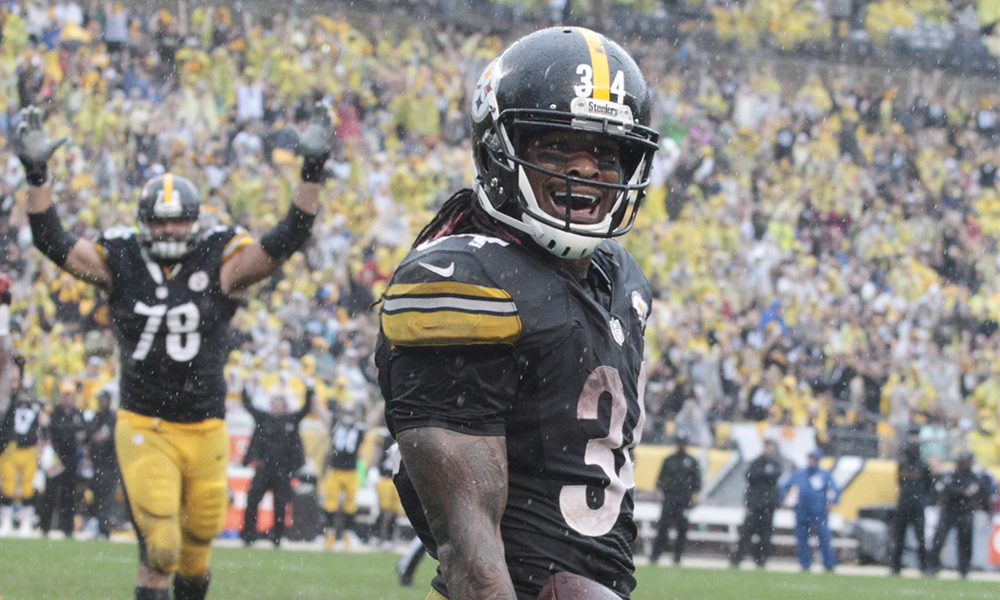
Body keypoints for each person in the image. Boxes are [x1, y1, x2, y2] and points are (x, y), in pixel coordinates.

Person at [375, 26, 659, 600]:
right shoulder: (465, 280)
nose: (586, 171)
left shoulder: (620, 275)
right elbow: (469, 546)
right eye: (556, 148)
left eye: (605, 152)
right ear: (501, 150)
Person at [11, 103, 333, 600]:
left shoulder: (219, 259)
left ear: (194, 222)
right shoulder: (120, 260)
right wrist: (37, 175)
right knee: (161, 546)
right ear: (143, 223)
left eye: (178, 222)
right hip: (144, 423)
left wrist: (312, 172)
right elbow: (51, 240)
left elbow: (285, 239)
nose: (168, 232)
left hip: (206, 425)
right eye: (159, 224)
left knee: (197, 553)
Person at [239, 385, 313, 548]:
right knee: (252, 501)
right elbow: (248, 406)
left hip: (282, 471)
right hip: (264, 468)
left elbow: (305, 409)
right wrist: (245, 388)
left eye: (279, 405)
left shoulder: (290, 420)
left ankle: (277, 537)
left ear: (285, 407)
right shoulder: (263, 419)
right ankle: (249, 534)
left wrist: (309, 390)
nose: (276, 408)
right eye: (274, 404)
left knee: (280, 505)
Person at [0, 363, 45, 537]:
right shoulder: (10, 403)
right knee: (8, 487)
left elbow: (43, 426)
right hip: (11, 449)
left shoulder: (37, 406)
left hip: (29, 450)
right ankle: (6, 521)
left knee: (27, 488)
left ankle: (26, 522)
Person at [38, 378, 87, 538]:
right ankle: (45, 528)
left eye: (70, 394)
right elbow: (44, 433)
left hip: (71, 458)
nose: (67, 397)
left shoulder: (78, 414)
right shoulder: (53, 413)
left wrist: (83, 438)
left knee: (69, 495)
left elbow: (85, 435)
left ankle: (67, 529)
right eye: (65, 394)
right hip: (55, 456)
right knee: (50, 493)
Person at [926, 452, 988, 578]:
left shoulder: (974, 476)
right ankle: (933, 566)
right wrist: (963, 492)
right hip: (950, 511)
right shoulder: (952, 475)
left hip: (965, 512)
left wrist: (988, 511)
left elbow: (981, 491)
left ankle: (964, 569)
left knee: (965, 542)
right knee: (939, 539)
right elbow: (947, 489)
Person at [780, 449, 841, 572]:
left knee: (824, 538)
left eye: (815, 458)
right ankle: (804, 564)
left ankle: (829, 565)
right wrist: (785, 500)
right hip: (802, 511)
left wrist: (832, 502)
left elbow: (837, 490)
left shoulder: (824, 475)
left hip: (819, 512)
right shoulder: (799, 473)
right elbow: (783, 486)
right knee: (802, 540)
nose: (812, 461)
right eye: (811, 458)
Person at [649, 432, 702, 565]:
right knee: (663, 528)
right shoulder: (669, 460)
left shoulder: (692, 461)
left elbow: (697, 482)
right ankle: (655, 556)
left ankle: (677, 557)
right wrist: (658, 492)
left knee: (682, 529)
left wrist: (695, 497)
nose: (681, 444)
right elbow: (660, 479)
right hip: (670, 498)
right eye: (680, 442)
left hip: (684, 500)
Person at [730, 438, 784, 569]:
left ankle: (761, 560)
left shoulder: (775, 463)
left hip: (768, 505)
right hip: (755, 504)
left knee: (765, 535)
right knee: (747, 532)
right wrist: (765, 474)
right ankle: (738, 558)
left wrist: (763, 475)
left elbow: (775, 475)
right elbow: (751, 476)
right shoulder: (756, 461)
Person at [321, 401, 366, 551]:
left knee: (350, 505)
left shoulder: (359, 429)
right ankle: (329, 535)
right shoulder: (335, 425)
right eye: (346, 413)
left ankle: (347, 536)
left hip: (351, 471)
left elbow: (372, 418)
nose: (348, 416)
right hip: (335, 470)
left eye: (351, 413)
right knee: (330, 503)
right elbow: (323, 415)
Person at [890, 441, 932, 574]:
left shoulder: (923, 466)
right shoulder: (903, 465)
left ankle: (923, 566)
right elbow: (900, 483)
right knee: (899, 538)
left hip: (916, 506)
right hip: (904, 505)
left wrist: (921, 499)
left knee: (920, 537)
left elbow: (928, 486)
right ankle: (896, 566)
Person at [86, 389, 120, 539]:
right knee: (97, 496)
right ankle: (98, 526)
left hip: (110, 464)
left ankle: (104, 529)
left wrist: (105, 437)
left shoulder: (113, 418)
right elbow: (89, 436)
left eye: (103, 399)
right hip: (97, 464)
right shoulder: (96, 417)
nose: (101, 402)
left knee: (106, 497)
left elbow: (115, 437)